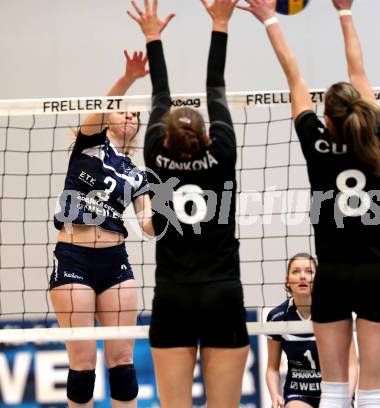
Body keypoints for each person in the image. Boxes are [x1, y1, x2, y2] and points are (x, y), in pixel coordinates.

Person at [239, 1, 380, 407]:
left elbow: (294, 77)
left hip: (334, 276)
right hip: (377, 274)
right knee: (373, 394)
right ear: (362, 110)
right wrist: (345, 12)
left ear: (326, 118)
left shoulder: (317, 142)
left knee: (332, 390)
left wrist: (270, 19)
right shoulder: (374, 133)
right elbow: (358, 71)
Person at [128, 0, 249, 407]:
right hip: (222, 293)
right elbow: (216, 86)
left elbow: (159, 94)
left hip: (174, 295)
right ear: (209, 137)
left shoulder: (156, 159)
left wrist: (152, 36)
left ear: (164, 141)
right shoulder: (224, 154)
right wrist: (220, 23)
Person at [50, 48, 161, 407]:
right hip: (74, 260)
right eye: (123, 109)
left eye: (135, 113)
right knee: (82, 367)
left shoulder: (139, 173)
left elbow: (148, 225)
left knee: (123, 365)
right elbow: (103, 104)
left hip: (116, 262)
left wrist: (171, 208)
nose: (129, 113)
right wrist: (128, 79)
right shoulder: (90, 146)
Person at [266, 253, 358, 408]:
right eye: (296, 272)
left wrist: (346, 398)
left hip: (335, 390)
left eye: (309, 271)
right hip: (298, 393)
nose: (302, 276)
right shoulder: (278, 316)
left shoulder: (336, 312)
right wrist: (275, 395)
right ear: (287, 280)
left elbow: (352, 365)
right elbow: (272, 369)